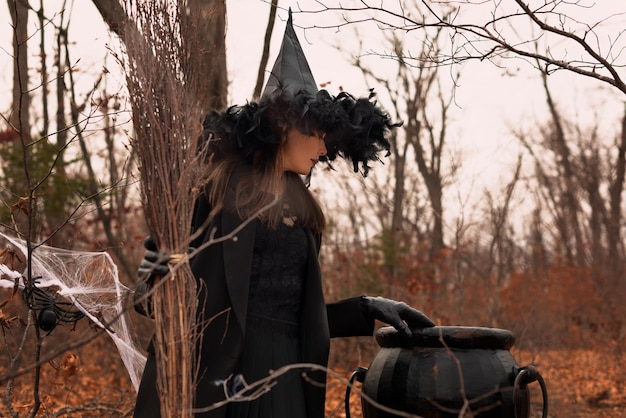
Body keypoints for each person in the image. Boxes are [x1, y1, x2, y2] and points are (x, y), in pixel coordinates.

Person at [133, 10, 435, 418]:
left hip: (288, 381)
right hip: (215, 384)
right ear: (286, 128)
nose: (325, 150)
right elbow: (157, 302)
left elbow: (293, 317)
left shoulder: (304, 212)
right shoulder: (213, 193)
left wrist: (368, 308)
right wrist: (154, 277)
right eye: (318, 135)